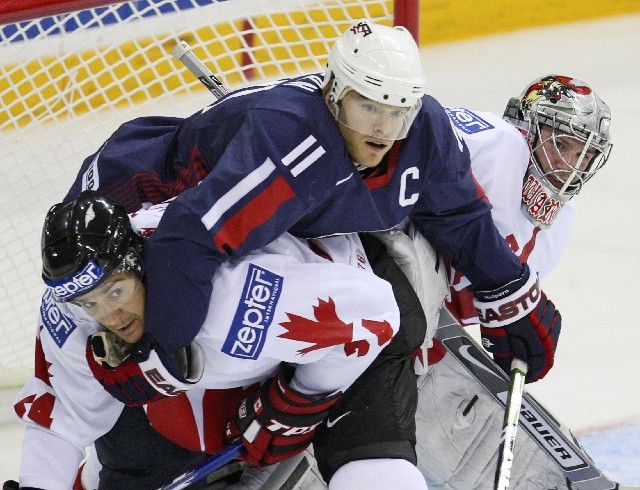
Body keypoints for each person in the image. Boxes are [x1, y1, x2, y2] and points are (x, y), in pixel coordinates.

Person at [72, 19, 562, 424]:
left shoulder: (423, 131)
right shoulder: (293, 143)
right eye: (368, 105)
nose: (383, 128)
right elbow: (189, 238)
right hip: (134, 199)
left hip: (227, 229)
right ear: (335, 93)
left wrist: (510, 290)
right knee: (85, 370)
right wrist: (159, 350)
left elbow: (458, 214)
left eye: (397, 110)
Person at [7, 191, 403, 489]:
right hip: (234, 363)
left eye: (116, 292)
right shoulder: (73, 309)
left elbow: (377, 313)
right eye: (90, 302)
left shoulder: (232, 302)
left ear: (139, 265)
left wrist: (298, 401)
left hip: (353, 317)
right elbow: (63, 416)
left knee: (366, 467)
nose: (109, 316)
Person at [413, 75, 613, 488]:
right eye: (562, 143)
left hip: (421, 332)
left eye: (583, 153)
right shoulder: (495, 141)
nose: (570, 164)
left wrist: (505, 326)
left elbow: (473, 308)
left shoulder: (556, 231)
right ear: (527, 125)